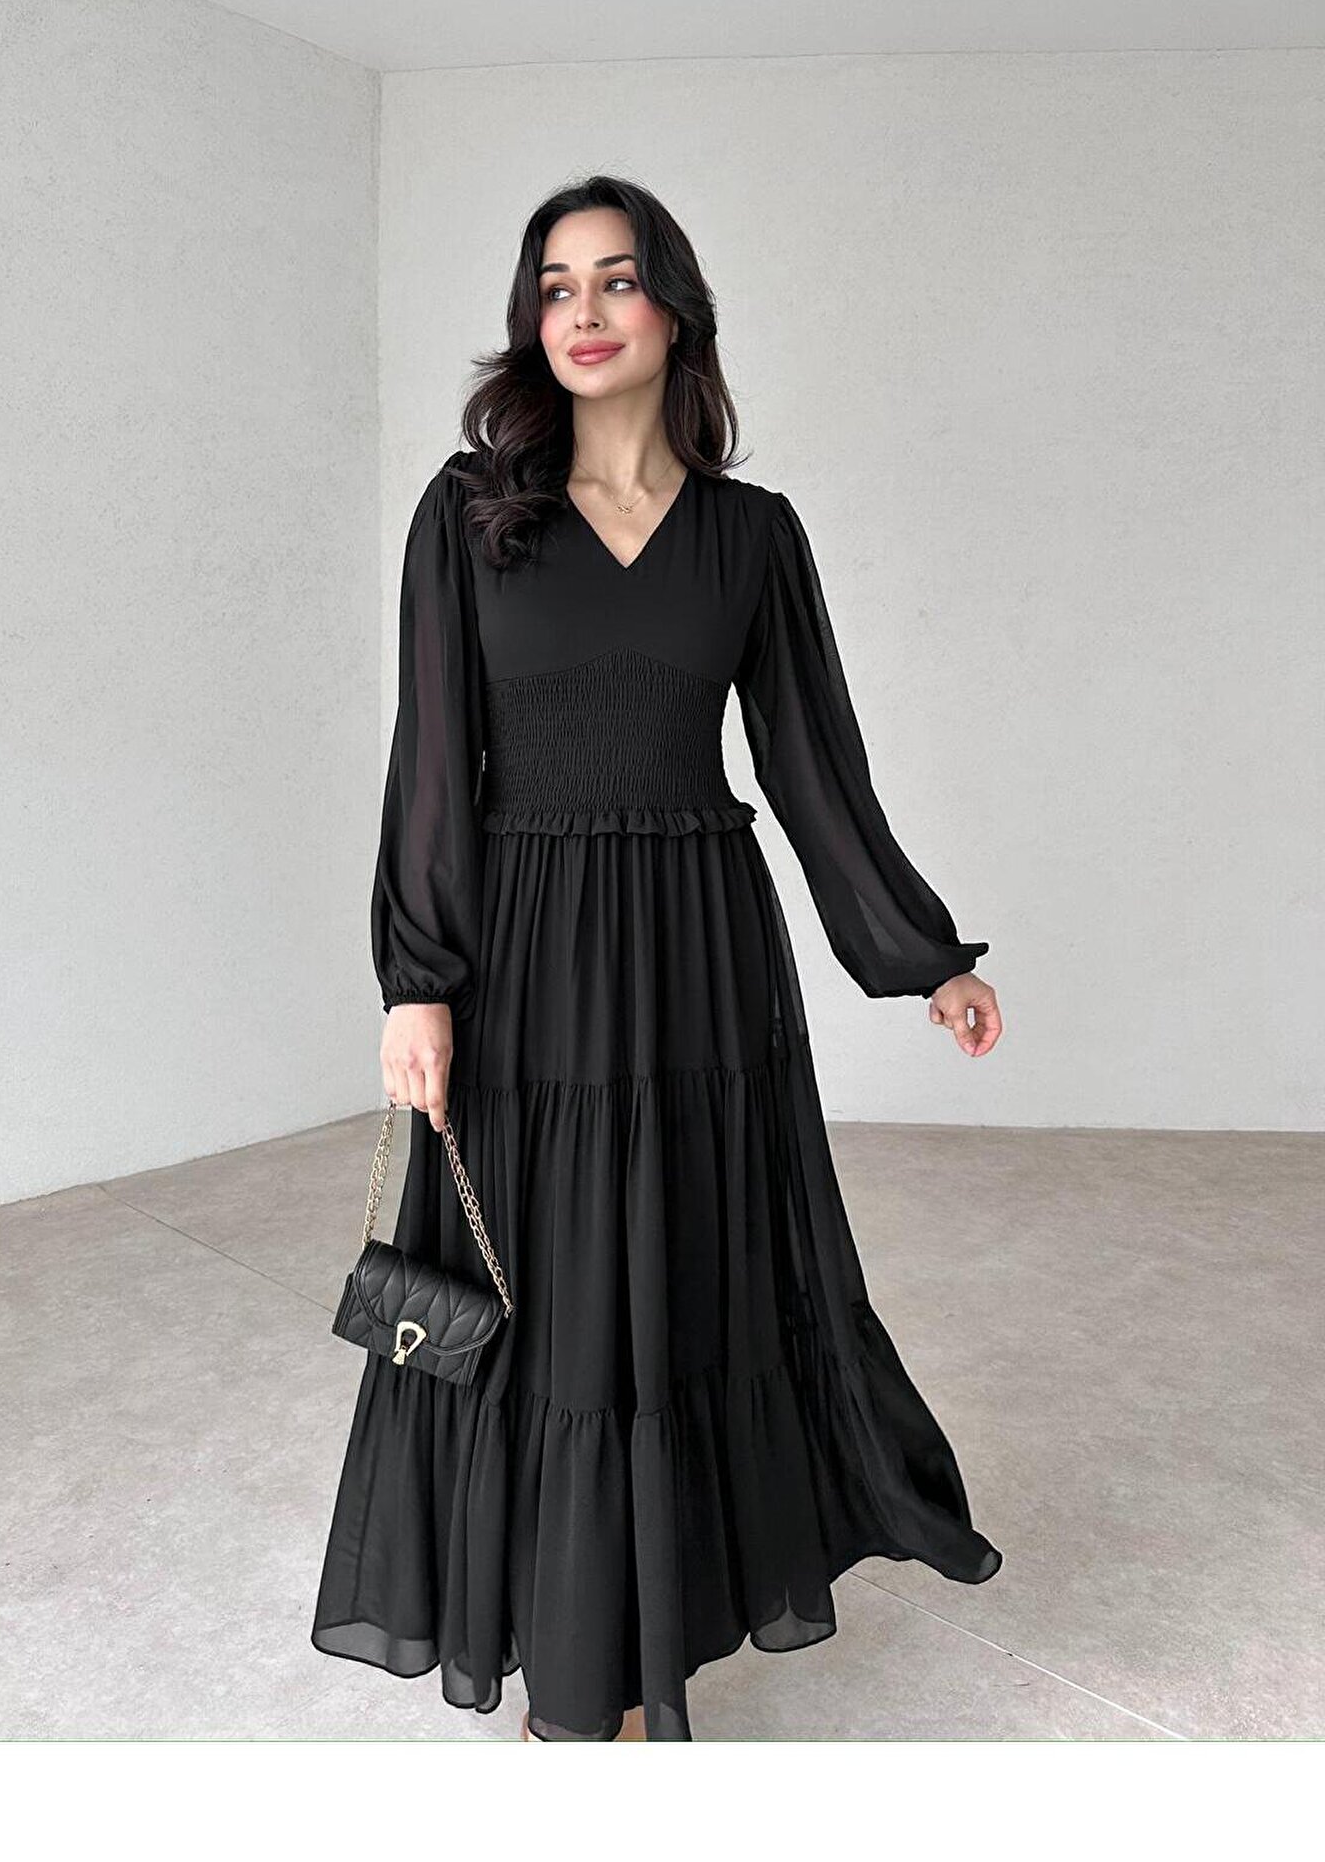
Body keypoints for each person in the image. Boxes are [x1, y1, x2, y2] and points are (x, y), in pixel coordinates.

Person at [312, 174, 1004, 1743]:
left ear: (674, 309)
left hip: (702, 960)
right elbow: (432, 765)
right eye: (556, 286)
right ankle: (579, 1671)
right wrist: (417, 980)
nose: (585, 312)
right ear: (530, 321)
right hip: (527, 958)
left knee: (682, 1294)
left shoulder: (754, 536)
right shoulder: (470, 513)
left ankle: (641, 1650)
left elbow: (817, 770)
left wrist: (922, 957)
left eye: (616, 280)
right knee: (551, 1308)